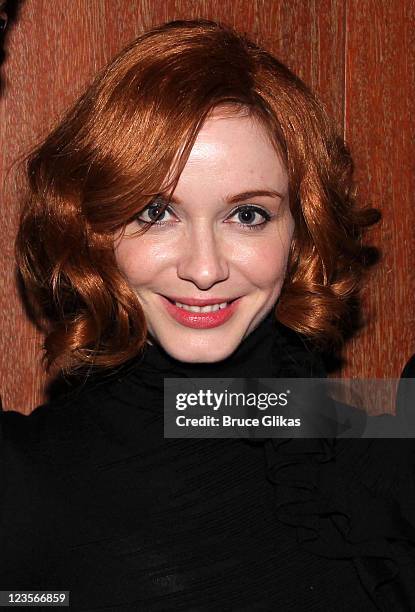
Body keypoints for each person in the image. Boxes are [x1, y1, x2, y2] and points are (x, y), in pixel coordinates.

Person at [1, 18, 414, 612]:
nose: (203, 268)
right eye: (155, 212)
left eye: (247, 216)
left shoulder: (377, 452)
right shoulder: (24, 484)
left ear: (300, 233)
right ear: (95, 231)